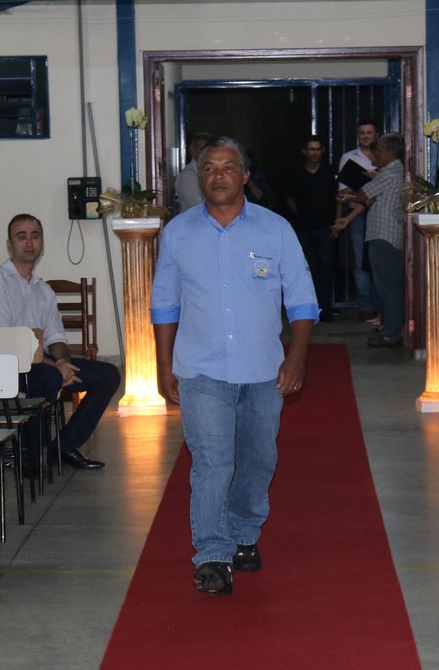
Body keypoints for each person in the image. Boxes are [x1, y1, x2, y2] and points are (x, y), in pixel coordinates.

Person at [151, 135, 318, 596]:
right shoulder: (178, 233)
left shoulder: (275, 230)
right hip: (200, 369)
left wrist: (297, 357)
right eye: (209, 168)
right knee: (212, 462)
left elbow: (302, 299)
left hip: (263, 370)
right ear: (199, 177)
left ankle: (244, 533)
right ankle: (212, 555)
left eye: (228, 167)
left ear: (245, 175)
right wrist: (164, 368)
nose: (218, 176)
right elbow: (164, 304)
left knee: (259, 460)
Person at [0, 213, 120, 471]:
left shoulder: (43, 290)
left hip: (41, 362)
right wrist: (55, 367)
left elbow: (56, 336)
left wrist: (62, 360)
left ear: (41, 243)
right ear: (10, 245)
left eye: (35, 236)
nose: (29, 242)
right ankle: (32, 457)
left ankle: (63, 445)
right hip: (5, 366)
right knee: (48, 377)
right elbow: (7, 341)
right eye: (21, 237)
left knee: (108, 374)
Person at [339, 132, 406, 348]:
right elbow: (370, 199)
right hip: (385, 234)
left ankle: (392, 333)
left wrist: (364, 181)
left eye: (379, 150)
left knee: (389, 288)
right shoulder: (393, 172)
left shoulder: (390, 173)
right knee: (386, 286)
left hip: (384, 236)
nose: (375, 154)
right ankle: (388, 328)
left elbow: (363, 196)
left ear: (391, 152)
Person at [285, 136, 339, 320]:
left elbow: (338, 199)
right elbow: (290, 198)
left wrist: (337, 222)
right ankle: (310, 309)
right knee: (308, 270)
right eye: (311, 149)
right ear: (304, 152)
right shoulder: (295, 173)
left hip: (327, 228)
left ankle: (326, 309)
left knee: (327, 269)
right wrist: (301, 215)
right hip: (305, 229)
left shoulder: (330, 171)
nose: (314, 153)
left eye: (317, 149)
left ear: (322, 151)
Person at [336, 119, 380, 319]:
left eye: (369, 132)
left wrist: (363, 190)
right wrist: (366, 191)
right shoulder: (348, 158)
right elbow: (343, 190)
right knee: (359, 261)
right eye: (362, 133)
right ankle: (365, 306)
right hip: (357, 216)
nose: (365, 136)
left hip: (380, 214)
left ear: (376, 135)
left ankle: (379, 305)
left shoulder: (382, 158)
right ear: (357, 135)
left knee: (377, 260)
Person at [174, 132, 212, 214]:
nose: (204, 153)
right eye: (201, 149)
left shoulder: (211, 172)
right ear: (192, 150)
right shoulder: (187, 176)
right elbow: (199, 205)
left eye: (208, 149)